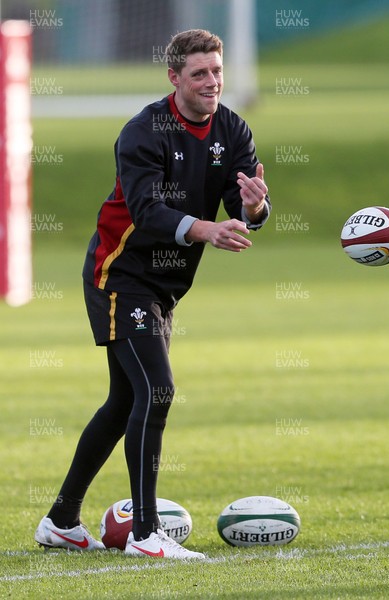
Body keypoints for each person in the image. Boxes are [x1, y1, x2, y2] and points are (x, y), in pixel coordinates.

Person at [35, 28, 270, 559]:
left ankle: (62, 521)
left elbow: (242, 203)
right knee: (157, 391)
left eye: (217, 71)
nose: (212, 83)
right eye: (199, 74)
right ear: (174, 78)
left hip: (164, 287)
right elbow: (146, 212)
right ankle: (145, 534)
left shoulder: (231, 129)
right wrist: (205, 229)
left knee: (125, 401)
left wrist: (254, 209)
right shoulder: (144, 131)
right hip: (120, 276)